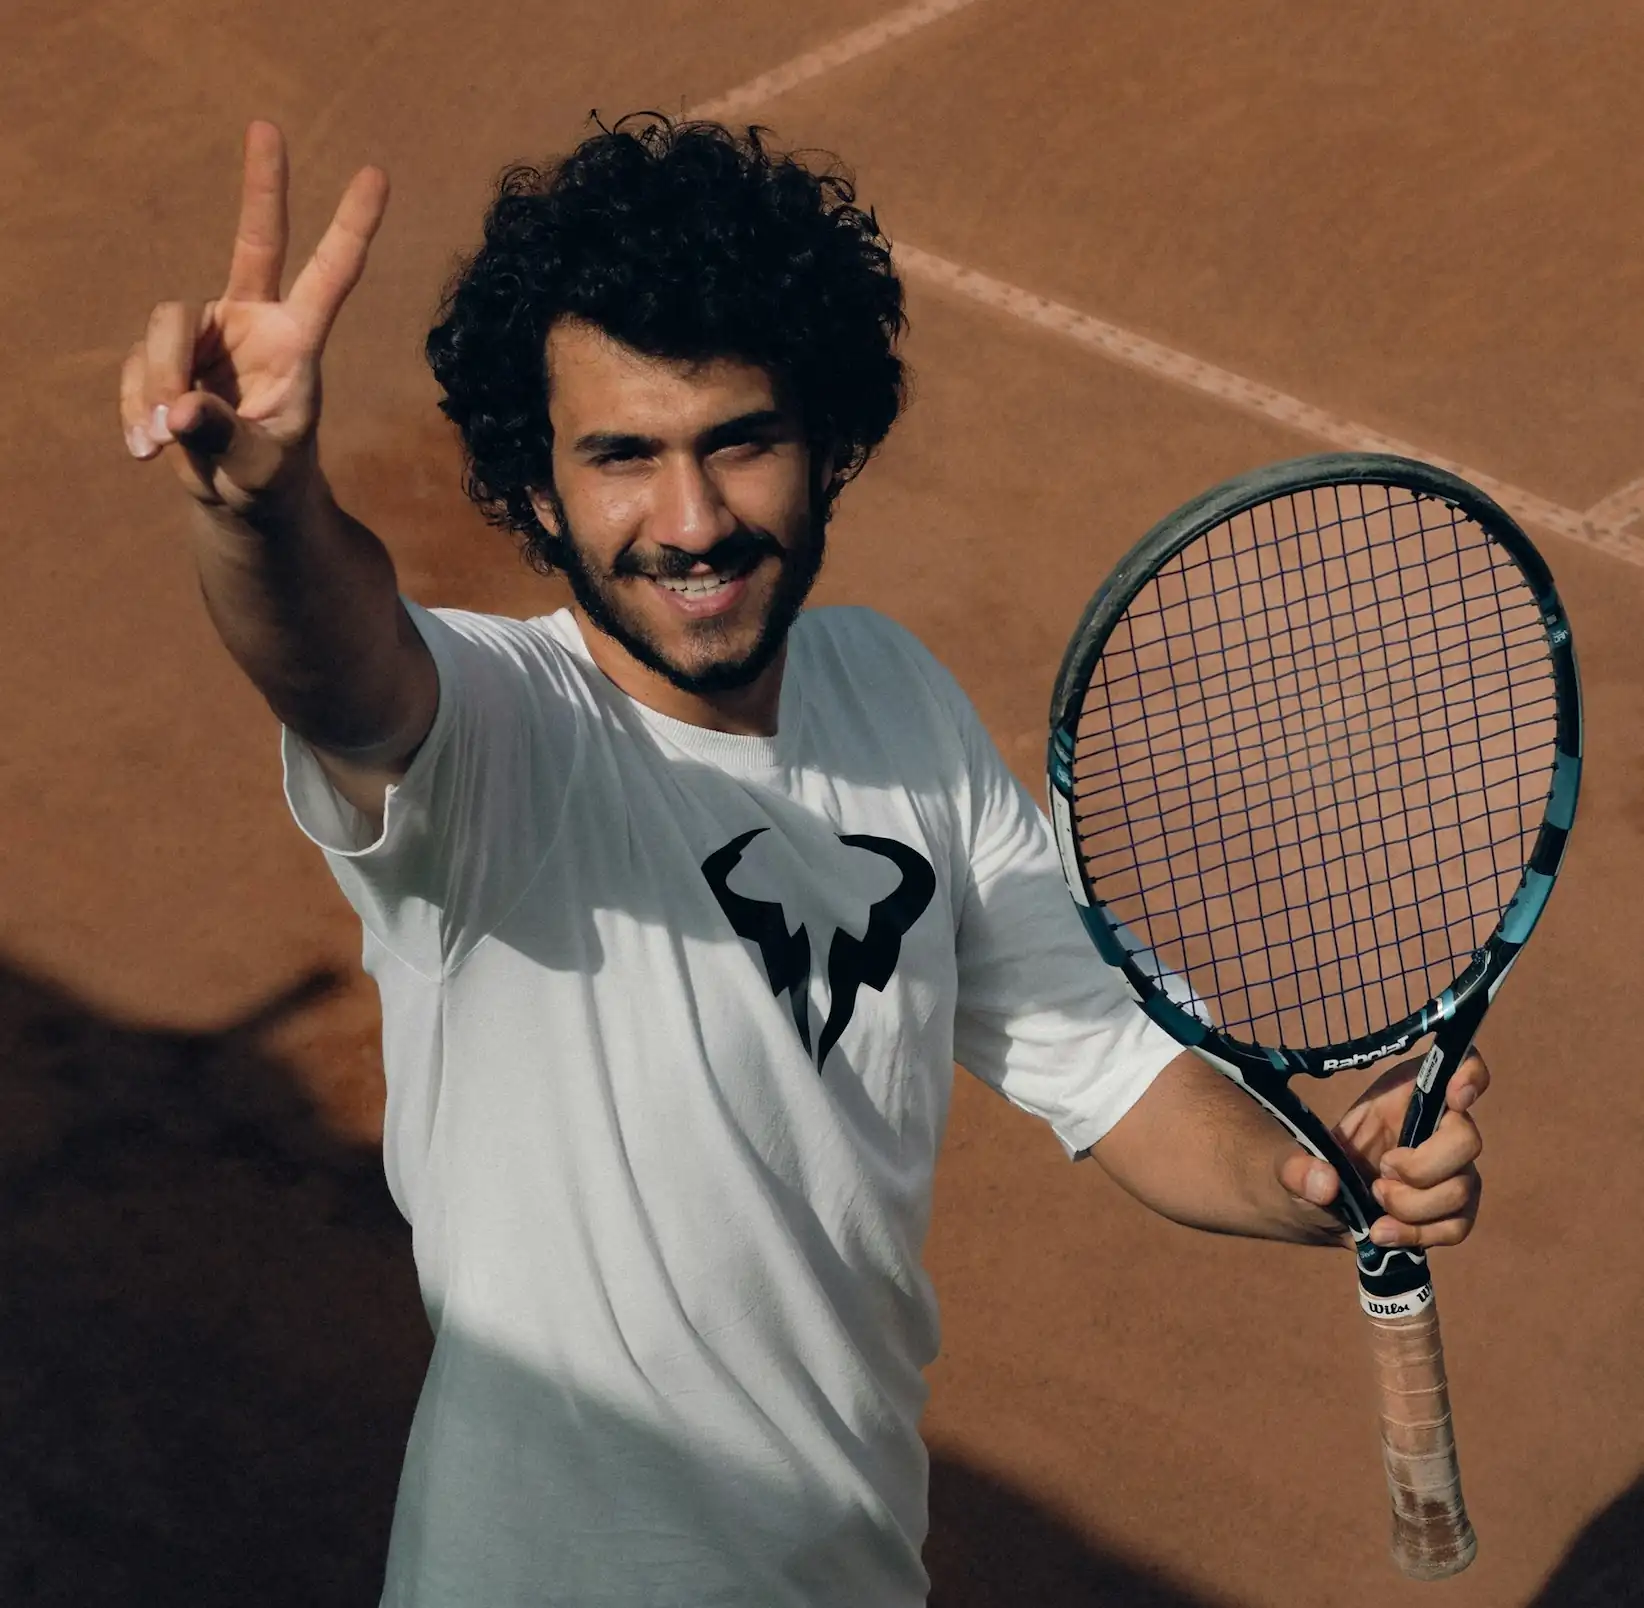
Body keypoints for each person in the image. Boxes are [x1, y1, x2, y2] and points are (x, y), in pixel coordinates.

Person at [120, 115, 1487, 1608]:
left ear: (825, 441)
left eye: (741, 442)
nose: (693, 522)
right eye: (624, 456)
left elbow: (1115, 1072)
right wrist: (256, 508)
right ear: (537, 483)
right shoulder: (504, 743)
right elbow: (338, 664)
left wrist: (1306, 1175)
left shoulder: (895, 707)